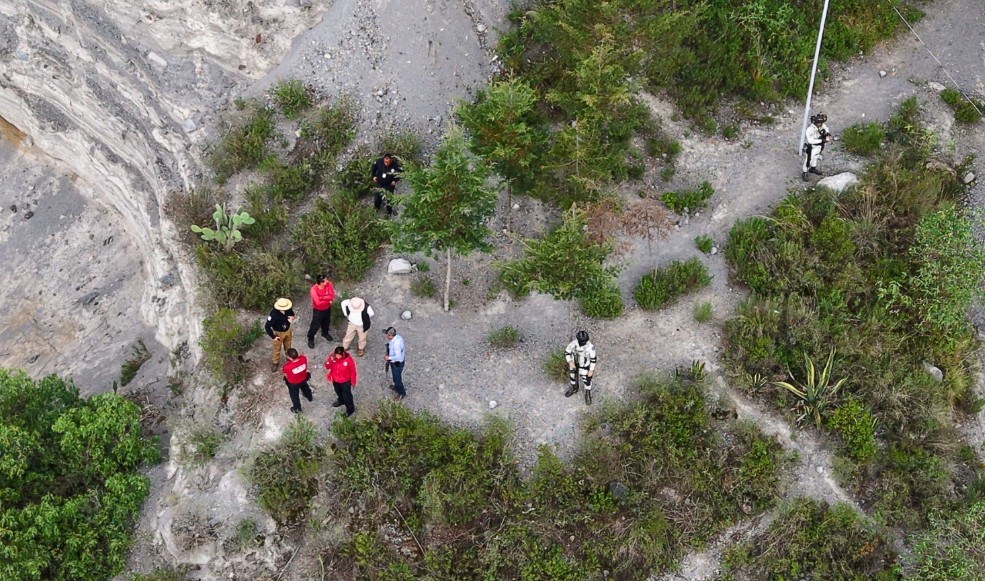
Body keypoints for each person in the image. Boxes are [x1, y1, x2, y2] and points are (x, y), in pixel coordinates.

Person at [564, 330, 597, 405]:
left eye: (585, 341)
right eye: (582, 341)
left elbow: (593, 359)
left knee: (587, 379)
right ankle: (574, 388)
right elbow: (567, 352)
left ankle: (588, 392)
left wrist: (591, 370)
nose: (583, 342)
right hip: (574, 363)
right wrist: (570, 361)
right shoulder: (573, 344)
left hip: (584, 365)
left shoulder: (590, 347)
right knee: (572, 376)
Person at [265, 298, 296, 372]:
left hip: (288, 331)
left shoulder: (288, 309)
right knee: (277, 349)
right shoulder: (273, 314)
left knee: (288, 346)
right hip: (278, 333)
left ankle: (289, 358)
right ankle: (275, 362)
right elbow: (267, 326)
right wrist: (273, 337)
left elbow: (292, 314)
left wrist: (292, 318)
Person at [325, 345, 357, 417]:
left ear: (343, 354)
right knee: (338, 392)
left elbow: (353, 371)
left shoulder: (348, 360)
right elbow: (327, 366)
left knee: (347, 396)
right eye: (336, 355)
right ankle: (341, 400)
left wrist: (353, 381)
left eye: (339, 356)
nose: (338, 357)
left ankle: (350, 409)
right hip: (336, 380)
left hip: (345, 382)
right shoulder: (332, 357)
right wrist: (330, 360)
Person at [307, 274, 335, 349]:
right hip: (318, 310)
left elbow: (332, 296)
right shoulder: (314, 290)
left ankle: (325, 333)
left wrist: (322, 298)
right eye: (325, 281)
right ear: (321, 283)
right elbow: (318, 303)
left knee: (326, 322)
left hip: (327, 308)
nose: (327, 281)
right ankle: (310, 338)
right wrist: (328, 301)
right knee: (315, 325)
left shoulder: (329, 284)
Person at [802, 112, 833, 181]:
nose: (820, 124)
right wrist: (822, 140)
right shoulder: (810, 130)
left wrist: (828, 134)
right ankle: (805, 171)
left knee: (816, 157)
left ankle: (813, 168)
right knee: (809, 159)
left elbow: (826, 128)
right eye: (819, 122)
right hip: (812, 146)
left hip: (820, 146)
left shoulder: (822, 125)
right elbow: (810, 140)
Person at [282, 348, 314, 414]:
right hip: (303, 378)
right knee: (306, 388)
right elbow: (301, 356)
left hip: (293, 383)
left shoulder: (287, 366)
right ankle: (309, 397)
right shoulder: (303, 359)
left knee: (294, 396)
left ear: (289, 358)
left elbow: (284, 371)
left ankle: (297, 408)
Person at [383, 327, 406, 400]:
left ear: (390, 335)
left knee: (397, 379)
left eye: (387, 334)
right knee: (395, 378)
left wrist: (388, 358)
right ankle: (396, 387)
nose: (386, 336)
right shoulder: (397, 337)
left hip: (397, 363)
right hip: (396, 362)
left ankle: (402, 393)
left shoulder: (396, 344)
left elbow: (398, 356)